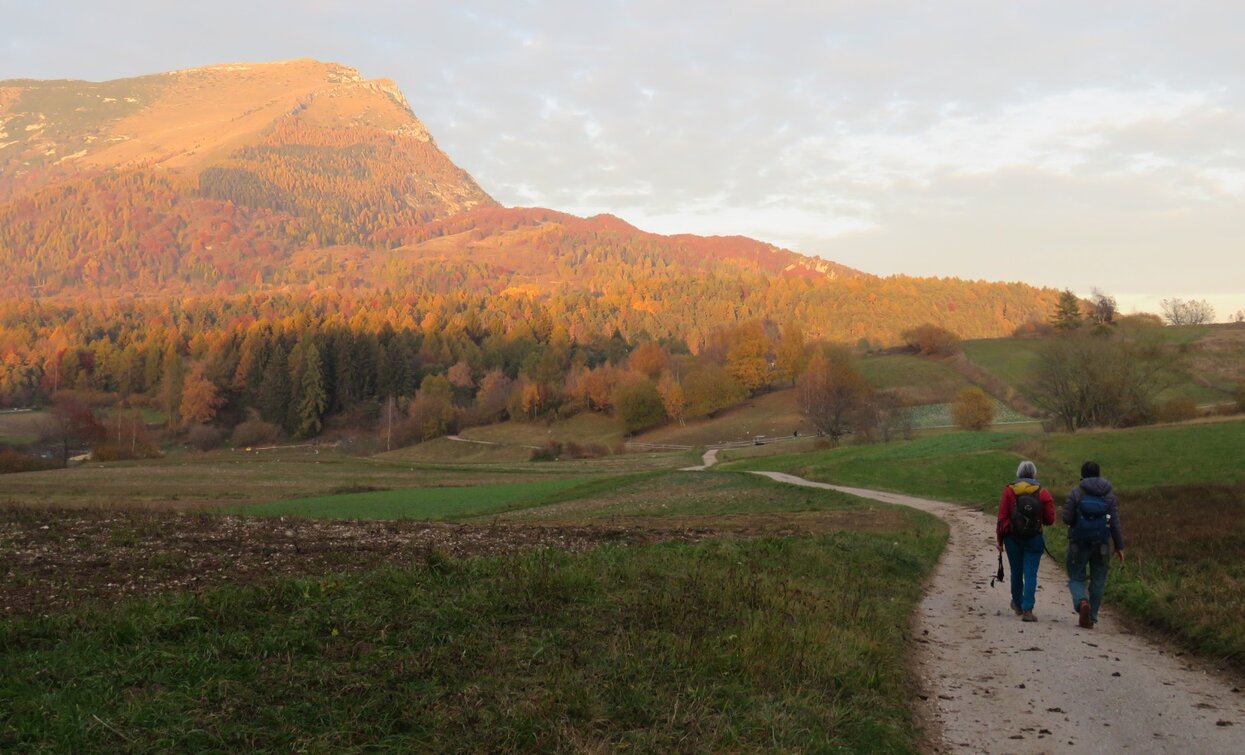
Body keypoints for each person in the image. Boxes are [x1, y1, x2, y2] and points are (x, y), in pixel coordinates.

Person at [1064, 460, 1125, 629]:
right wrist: (1119, 546)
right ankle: (1091, 617)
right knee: (1099, 579)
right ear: (1099, 474)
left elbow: (1067, 518)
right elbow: (1115, 523)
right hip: (1102, 544)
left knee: (1076, 576)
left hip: (1079, 542)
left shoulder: (1076, 493)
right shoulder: (1109, 496)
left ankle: (1082, 602)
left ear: (1082, 475)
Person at [996, 460, 1057, 621]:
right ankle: (1028, 609)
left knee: (1016, 572)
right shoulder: (1042, 492)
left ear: (1019, 473)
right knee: (1031, 574)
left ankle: (1017, 603)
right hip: (1034, 538)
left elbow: (1002, 518)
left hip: (1012, 538)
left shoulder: (1009, 491)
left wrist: (999, 540)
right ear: (1034, 474)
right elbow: (1050, 519)